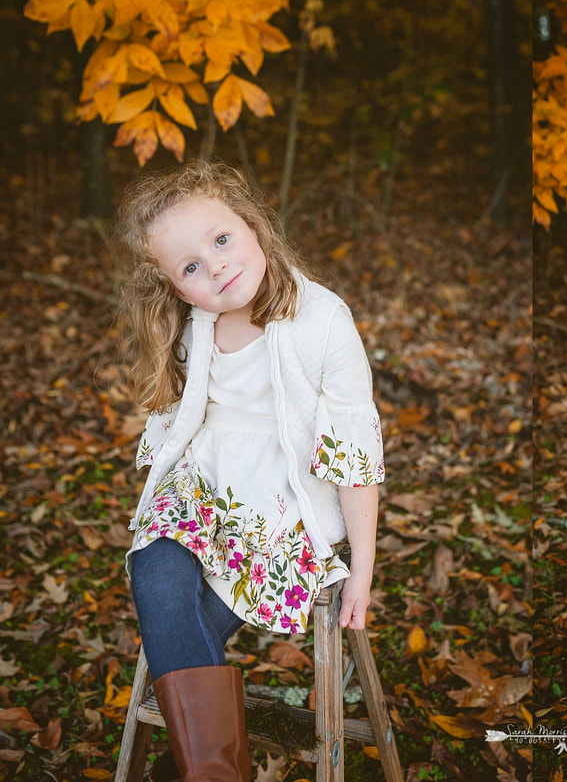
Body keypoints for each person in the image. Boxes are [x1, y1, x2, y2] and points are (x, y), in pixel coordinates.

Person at [112, 160, 386, 781]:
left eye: (221, 239)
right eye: (189, 267)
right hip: (207, 482)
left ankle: (196, 766)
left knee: (196, 613)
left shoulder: (323, 321)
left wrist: (362, 571)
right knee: (155, 571)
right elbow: (186, 422)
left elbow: (354, 454)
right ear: (175, 287)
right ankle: (211, 770)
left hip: (283, 501)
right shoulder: (196, 324)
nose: (214, 266)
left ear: (254, 226)